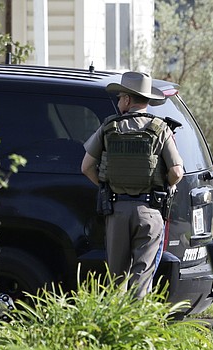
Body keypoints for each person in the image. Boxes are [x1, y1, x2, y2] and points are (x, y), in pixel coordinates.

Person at [81, 71, 184, 298]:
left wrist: (107, 185)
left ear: (128, 99)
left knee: (117, 279)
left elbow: (86, 167)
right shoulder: (160, 129)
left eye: (119, 98)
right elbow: (177, 172)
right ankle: (137, 326)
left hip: (116, 211)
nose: (119, 102)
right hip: (149, 212)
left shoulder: (109, 127)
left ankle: (118, 327)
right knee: (142, 276)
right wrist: (161, 184)